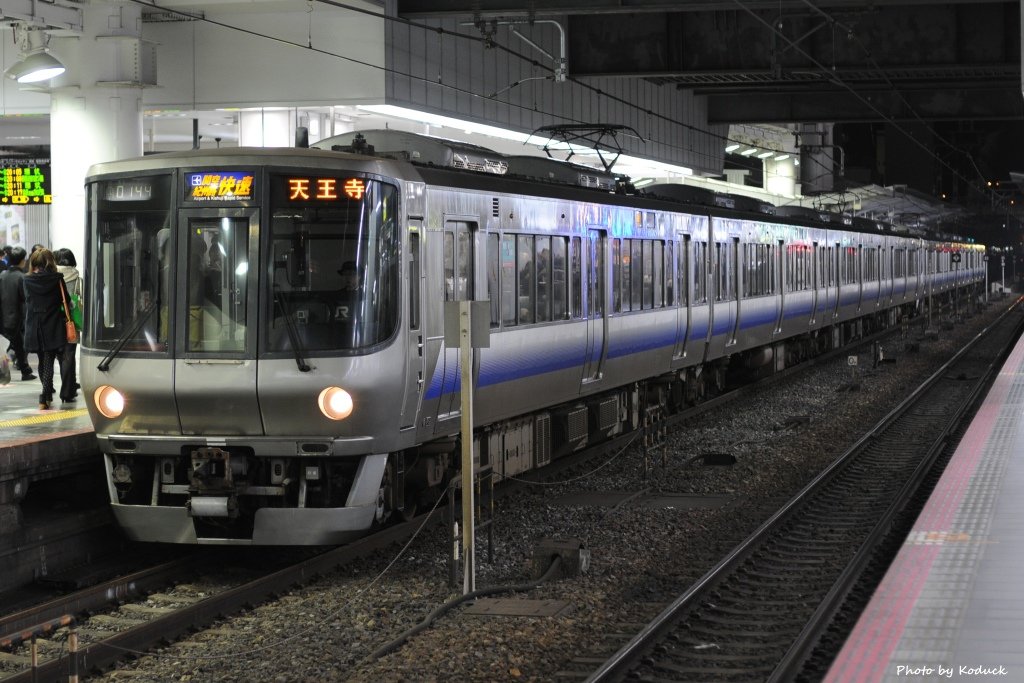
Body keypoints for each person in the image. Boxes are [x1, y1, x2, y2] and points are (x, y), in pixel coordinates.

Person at [23, 248, 72, 409]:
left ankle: (47, 392)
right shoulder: (57, 279)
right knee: (49, 359)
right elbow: (67, 299)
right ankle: (44, 396)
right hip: (52, 323)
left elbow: (27, 300)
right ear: (50, 261)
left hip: (34, 325)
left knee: (41, 359)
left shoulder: (27, 280)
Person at [0, 247, 36, 380]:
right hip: (17, 317)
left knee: (11, 346)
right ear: (22, 261)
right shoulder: (22, 277)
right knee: (21, 346)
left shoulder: (2, 275)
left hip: (3, 317)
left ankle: (21, 370)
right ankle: (25, 371)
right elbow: (26, 299)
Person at [54, 248, 82, 400]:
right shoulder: (77, 276)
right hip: (71, 321)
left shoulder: (52, 276)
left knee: (60, 356)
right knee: (69, 355)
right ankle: (67, 391)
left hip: (54, 320)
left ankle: (68, 387)